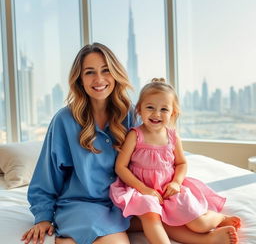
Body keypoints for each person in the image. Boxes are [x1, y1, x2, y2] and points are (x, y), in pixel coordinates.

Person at [21, 43, 238, 244]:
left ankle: (208, 238)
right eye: (90, 72)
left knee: (163, 215)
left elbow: (159, 152)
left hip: (127, 199)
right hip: (85, 204)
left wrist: (171, 186)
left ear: (115, 73)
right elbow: (46, 176)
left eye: (105, 70)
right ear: (80, 79)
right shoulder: (65, 121)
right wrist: (43, 216)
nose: (99, 79)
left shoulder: (132, 114)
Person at [110, 78, 240, 244]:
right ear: (139, 110)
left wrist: (176, 183)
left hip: (168, 189)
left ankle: (218, 219)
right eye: (150, 107)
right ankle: (206, 240)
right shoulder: (135, 135)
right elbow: (120, 167)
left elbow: (181, 163)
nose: (156, 114)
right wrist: (144, 189)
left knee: (199, 224)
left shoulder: (172, 136)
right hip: (142, 191)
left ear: (172, 113)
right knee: (151, 217)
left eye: (164, 109)